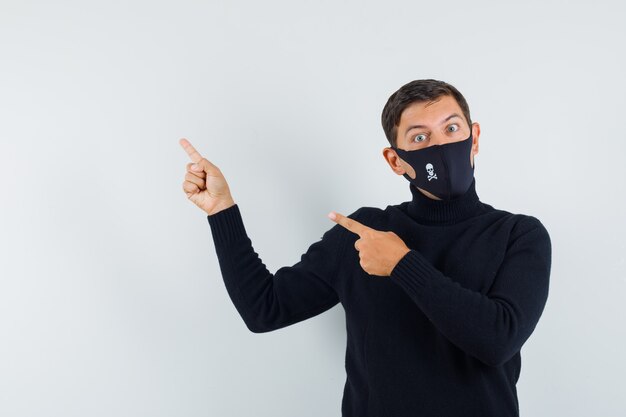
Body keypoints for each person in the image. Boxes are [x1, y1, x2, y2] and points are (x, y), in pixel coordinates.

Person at [179, 79, 552, 417]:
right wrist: (221, 210)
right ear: (395, 160)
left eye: (452, 128)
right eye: (420, 138)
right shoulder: (365, 232)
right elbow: (264, 310)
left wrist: (402, 264)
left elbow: (496, 340)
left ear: (474, 138)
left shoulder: (518, 234)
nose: (440, 145)